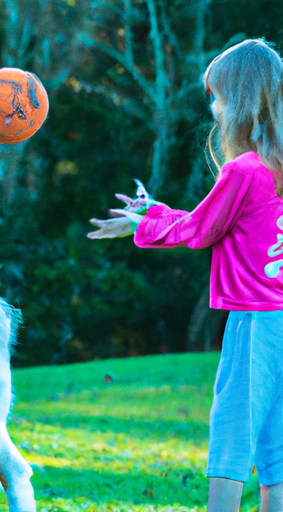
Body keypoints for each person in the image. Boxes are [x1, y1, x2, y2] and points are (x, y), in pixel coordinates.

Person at [88, 39, 283, 512]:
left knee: (232, 438)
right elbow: (217, 221)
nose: (213, 109)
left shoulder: (245, 169)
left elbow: (198, 231)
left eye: (216, 97)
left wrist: (139, 224)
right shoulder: (274, 169)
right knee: (276, 450)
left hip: (255, 324)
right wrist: (153, 211)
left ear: (238, 99)